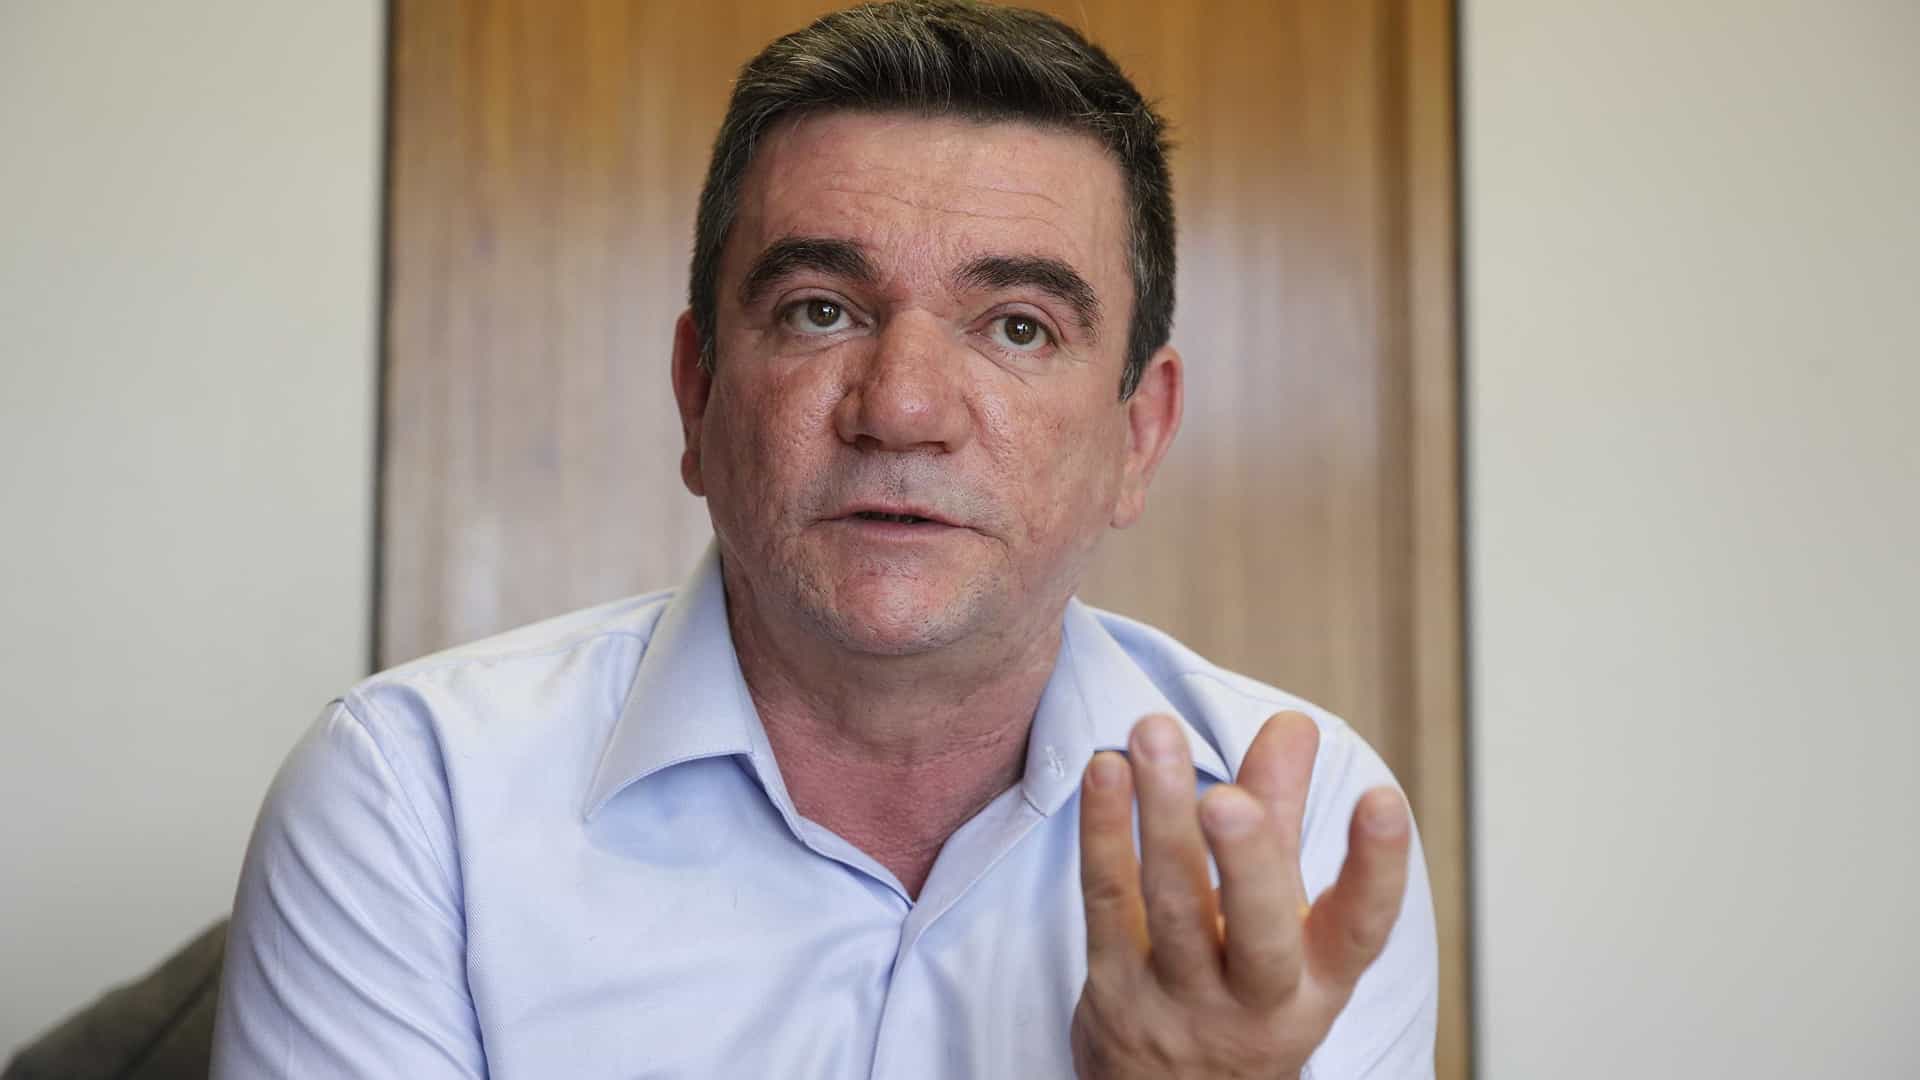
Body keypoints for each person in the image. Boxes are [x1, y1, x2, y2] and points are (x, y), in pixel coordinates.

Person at [210, 2, 1437, 1076]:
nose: (900, 407)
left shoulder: (1304, 827)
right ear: (697, 393)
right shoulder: (411, 796)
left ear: (1139, 434)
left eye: (1017, 327)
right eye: (819, 311)